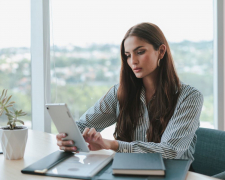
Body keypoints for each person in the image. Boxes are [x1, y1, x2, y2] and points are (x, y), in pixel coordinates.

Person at [56, 22, 203, 162]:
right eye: (127, 55)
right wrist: (69, 139)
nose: (133, 61)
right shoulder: (120, 92)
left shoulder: (189, 97)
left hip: (173, 173)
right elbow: (83, 126)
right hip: (128, 169)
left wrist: (113, 145)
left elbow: (170, 151)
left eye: (140, 52)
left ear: (161, 51)